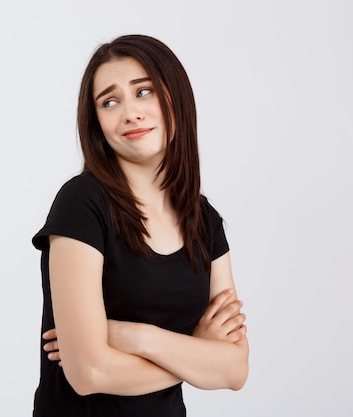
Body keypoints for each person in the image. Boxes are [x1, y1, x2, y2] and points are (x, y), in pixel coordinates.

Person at [31, 34, 249, 417]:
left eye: (144, 92)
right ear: (97, 122)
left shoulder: (205, 220)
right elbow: (89, 372)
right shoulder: (81, 203)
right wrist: (195, 352)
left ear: (174, 97)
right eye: (110, 102)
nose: (130, 113)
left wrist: (138, 337)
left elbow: (235, 369)